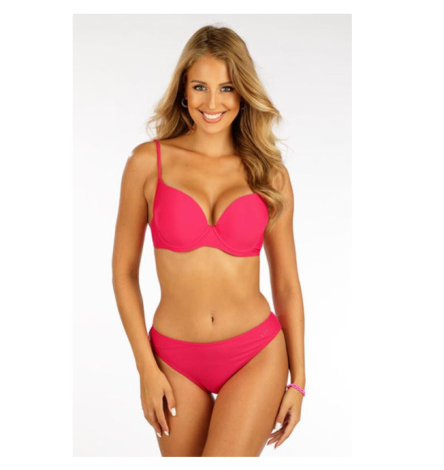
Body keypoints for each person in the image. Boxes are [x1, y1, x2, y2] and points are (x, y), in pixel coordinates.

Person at [112, 25, 306, 457]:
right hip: (173, 358)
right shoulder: (148, 163)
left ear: (243, 93)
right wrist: (146, 368)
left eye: (227, 88)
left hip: (255, 354)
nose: (212, 103)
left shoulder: (269, 174)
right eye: (200, 87)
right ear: (183, 90)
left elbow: (287, 285)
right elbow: (123, 273)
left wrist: (298, 381)